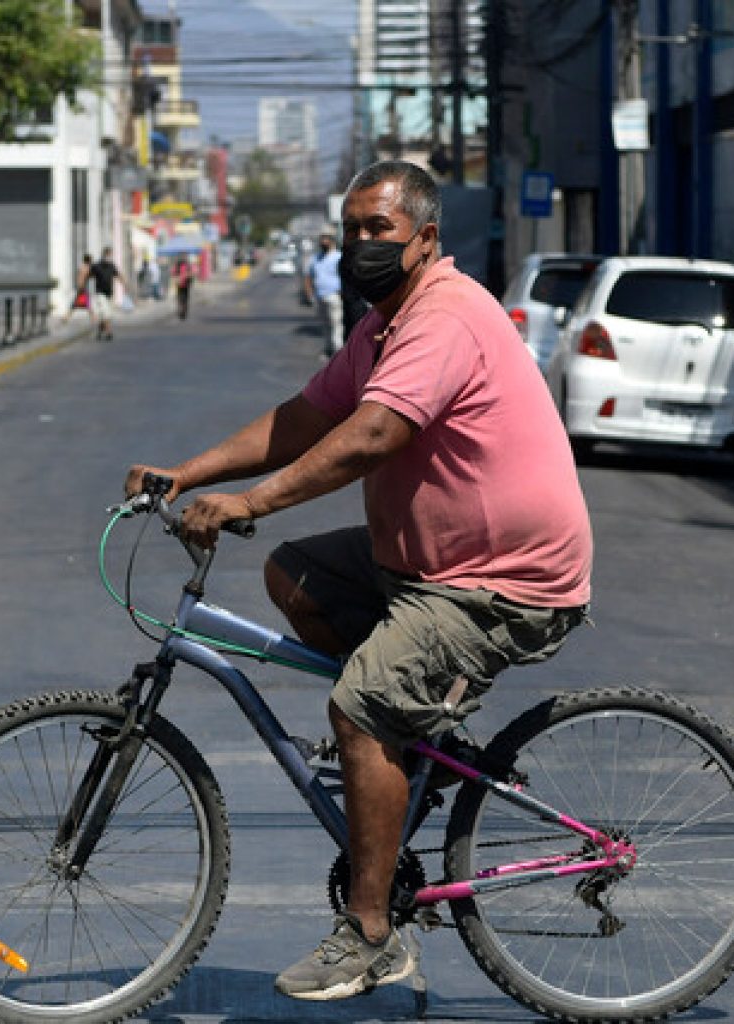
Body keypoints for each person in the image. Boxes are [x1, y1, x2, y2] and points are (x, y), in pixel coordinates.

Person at [124, 160, 592, 1002]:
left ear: (425, 239)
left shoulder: (443, 315)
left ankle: (374, 934)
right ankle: (422, 741)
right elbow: (306, 419)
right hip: (423, 567)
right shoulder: (382, 325)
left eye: (379, 231)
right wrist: (187, 476)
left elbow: (371, 435)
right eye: (351, 231)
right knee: (293, 572)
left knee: (360, 709)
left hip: (501, 580)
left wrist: (250, 501)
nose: (361, 246)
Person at [305, 227, 344, 356]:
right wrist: (310, 294)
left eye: (326, 238)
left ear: (332, 240)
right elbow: (309, 277)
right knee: (325, 325)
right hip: (320, 296)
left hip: (334, 296)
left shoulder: (338, 256)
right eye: (322, 238)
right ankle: (328, 349)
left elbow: (345, 276)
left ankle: (337, 352)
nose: (324, 241)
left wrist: (341, 293)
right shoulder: (315, 258)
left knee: (336, 324)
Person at [88, 247, 126, 341]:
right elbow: (89, 275)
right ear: (104, 255)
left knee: (106, 314)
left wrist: (124, 284)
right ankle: (109, 332)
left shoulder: (111, 266)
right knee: (106, 313)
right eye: (108, 255)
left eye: (110, 255)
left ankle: (100, 332)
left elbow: (118, 275)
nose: (109, 257)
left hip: (109, 293)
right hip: (100, 293)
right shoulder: (96, 266)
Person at [65, 254, 93, 324]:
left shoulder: (82, 267)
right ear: (89, 260)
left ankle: (66, 317)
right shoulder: (86, 268)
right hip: (82, 288)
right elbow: (82, 278)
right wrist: (81, 287)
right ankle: (93, 318)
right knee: (86, 304)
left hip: (81, 287)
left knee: (77, 304)